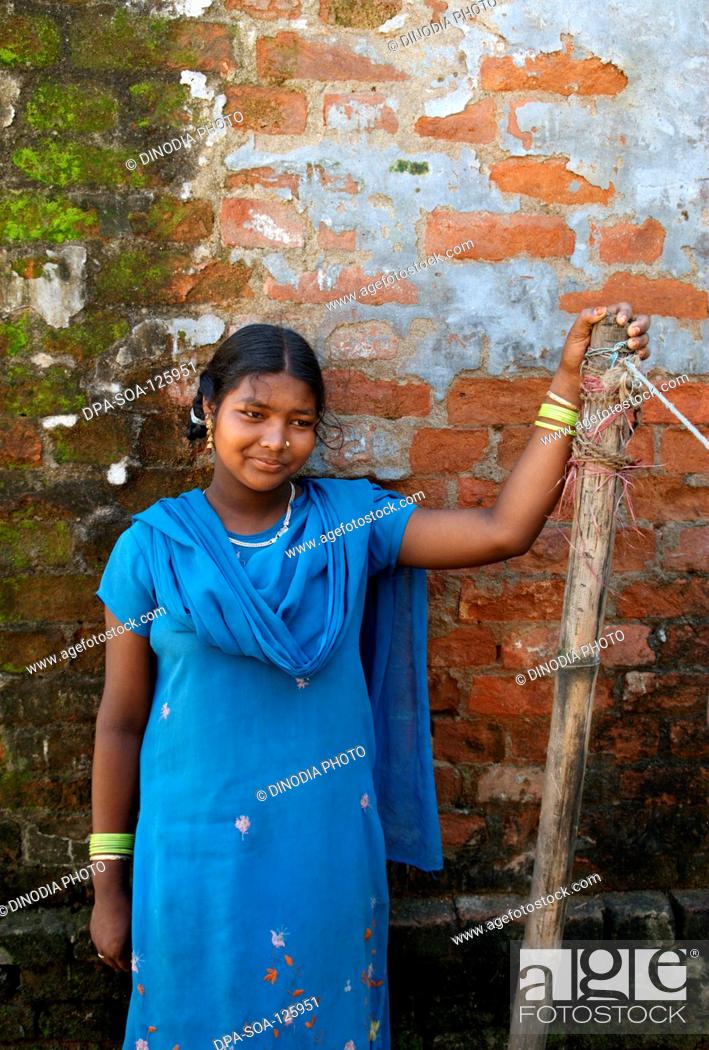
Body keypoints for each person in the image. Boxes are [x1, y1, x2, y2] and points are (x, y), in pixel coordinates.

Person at [89, 304, 651, 1050]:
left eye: (300, 422)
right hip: (192, 850)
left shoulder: (349, 525)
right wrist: (108, 889)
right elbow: (120, 723)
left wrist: (569, 384)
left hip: (321, 841)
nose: (275, 440)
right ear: (206, 407)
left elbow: (501, 529)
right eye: (252, 413)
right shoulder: (149, 549)